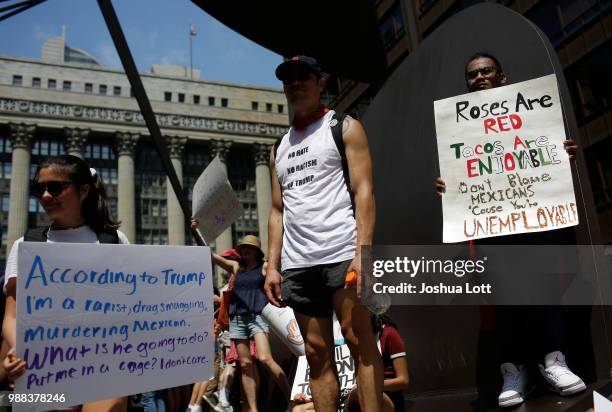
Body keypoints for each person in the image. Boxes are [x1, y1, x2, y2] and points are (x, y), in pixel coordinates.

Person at [435, 52, 584, 408]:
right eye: (472, 75)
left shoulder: (533, 113)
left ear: (502, 77)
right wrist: (448, 184)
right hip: (491, 223)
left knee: (543, 282)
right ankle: (513, 368)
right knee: (500, 294)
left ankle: (553, 358)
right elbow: (462, 171)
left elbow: (547, 156)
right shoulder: (458, 127)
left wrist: (560, 157)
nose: (479, 77)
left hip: (535, 220)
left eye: (486, 71)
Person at [265, 55, 383, 412]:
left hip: (342, 252)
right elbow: (277, 210)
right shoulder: (278, 149)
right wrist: (273, 265)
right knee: (316, 355)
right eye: (289, 78)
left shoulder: (344, 126)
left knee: (359, 342)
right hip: (298, 265)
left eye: (304, 76)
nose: (296, 83)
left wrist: (364, 252)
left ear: (321, 82)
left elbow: (364, 191)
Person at [2, 155, 129, 411]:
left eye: (56, 187)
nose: (46, 196)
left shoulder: (114, 241)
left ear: (84, 189)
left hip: (104, 365)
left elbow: (129, 307)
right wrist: (20, 351)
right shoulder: (26, 245)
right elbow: (12, 315)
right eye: (39, 189)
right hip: (45, 367)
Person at [230, 235, 290, 412]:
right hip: (237, 318)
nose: (245, 250)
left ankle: (290, 397)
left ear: (256, 251)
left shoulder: (264, 267)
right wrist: (195, 229)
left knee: (265, 358)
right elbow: (212, 256)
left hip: (257, 316)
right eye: (243, 248)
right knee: (245, 364)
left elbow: (279, 273)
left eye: (249, 247)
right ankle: (253, 409)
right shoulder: (236, 268)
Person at [372, 315, 409, 412]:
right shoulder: (357, 337)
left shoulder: (389, 333)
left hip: (390, 401)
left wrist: (368, 385)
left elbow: (403, 380)